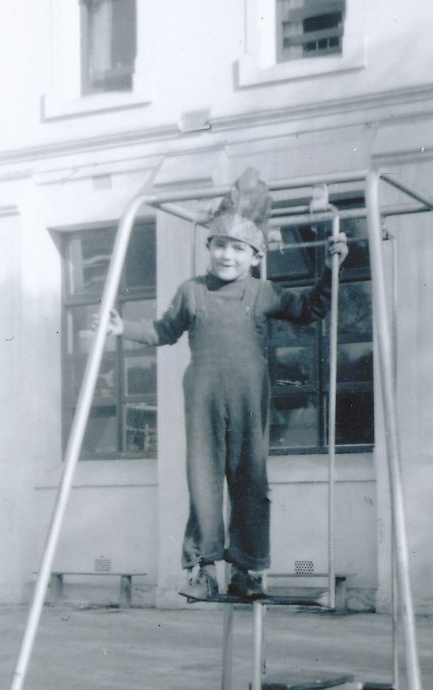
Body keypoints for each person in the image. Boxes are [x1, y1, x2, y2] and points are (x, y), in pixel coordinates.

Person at [97, 169, 348, 601]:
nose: (227, 256)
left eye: (238, 249)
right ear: (209, 248)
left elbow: (310, 310)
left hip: (250, 395)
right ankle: (202, 568)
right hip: (204, 394)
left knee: (251, 477)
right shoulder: (192, 292)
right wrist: (124, 328)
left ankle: (247, 571)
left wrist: (330, 270)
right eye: (220, 246)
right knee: (203, 476)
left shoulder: (263, 291)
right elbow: (163, 330)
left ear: (254, 256)